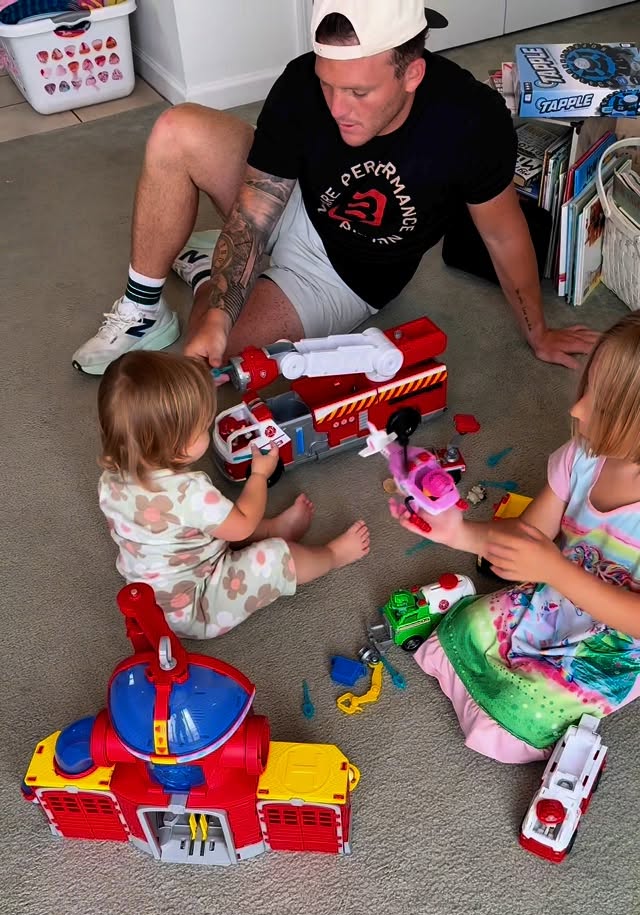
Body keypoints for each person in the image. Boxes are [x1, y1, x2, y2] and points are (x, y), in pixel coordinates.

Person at [73, 0, 599, 378]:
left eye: (358, 92)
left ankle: (212, 270)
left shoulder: (471, 121)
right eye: (328, 84)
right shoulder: (301, 83)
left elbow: (504, 236)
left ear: (412, 74)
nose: (337, 107)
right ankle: (143, 310)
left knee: (216, 350)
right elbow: (256, 211)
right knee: (177, 129)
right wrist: (220, 310)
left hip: (342, 274)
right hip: (294, 198)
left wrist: (539, 332)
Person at [390, 310, 640, 763]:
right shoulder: (582, 456)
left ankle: (502, 707)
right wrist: (457, 532)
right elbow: (529, 535)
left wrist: (553, 569)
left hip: (614, 644)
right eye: (587, 389)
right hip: (555, 594)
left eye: (601, 406)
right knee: (460, 629)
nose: (577, 409)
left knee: (523, 715)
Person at [97, 352, 370, 639]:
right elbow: (243, 524)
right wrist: (259, 476)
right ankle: (333, 555)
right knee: (275, 557)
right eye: (203, 427)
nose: (208, 428)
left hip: (149, 599)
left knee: (211, 523)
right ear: (178, 447)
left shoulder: (109, 480)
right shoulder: (190, 494)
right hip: (195, 607)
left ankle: (274, 528)